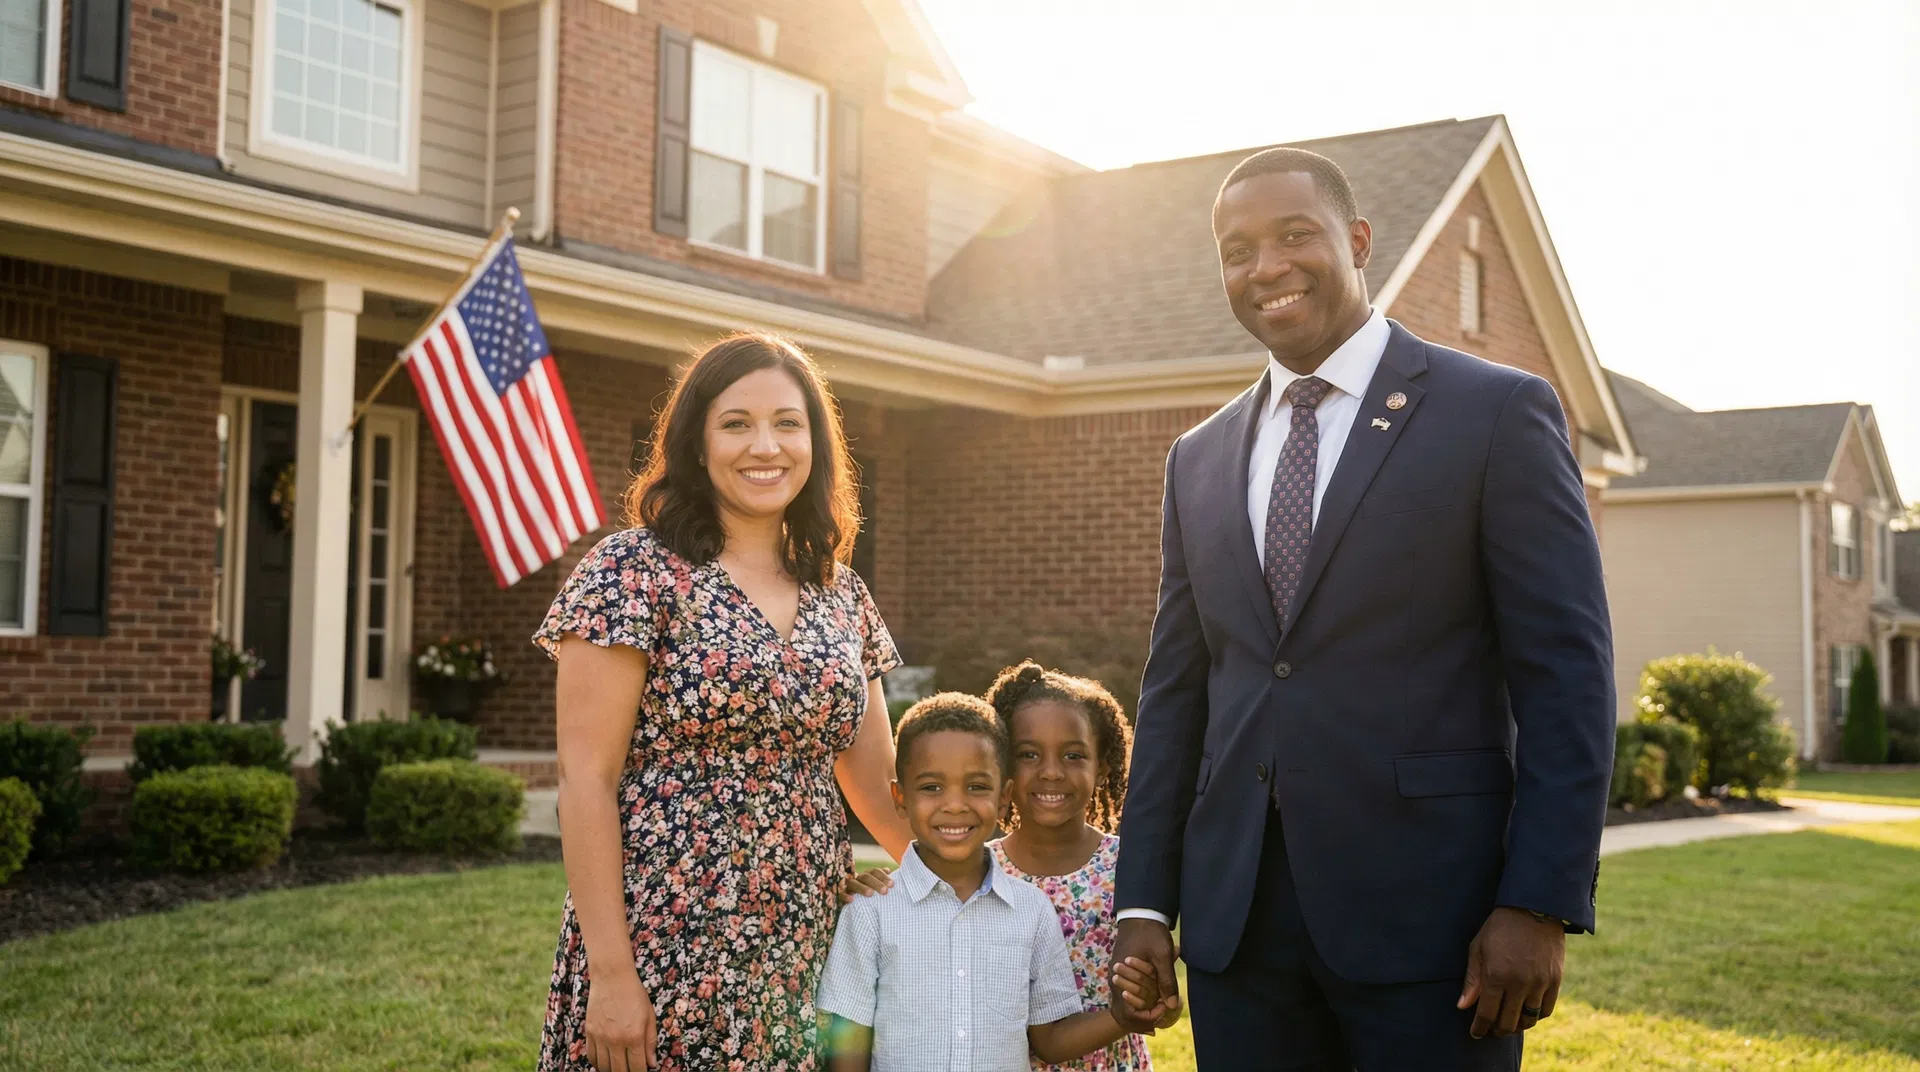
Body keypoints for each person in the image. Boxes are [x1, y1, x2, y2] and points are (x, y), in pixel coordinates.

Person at [1110, 147, 1615, 1070]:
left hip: (1434, 930)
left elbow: (1567, 678)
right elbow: (1177, 693)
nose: (1266, 266)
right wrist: (1145, 903)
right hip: (1239, 937)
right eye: (1237, 249)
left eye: (1294, 235)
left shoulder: (1494, 414)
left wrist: (1538, 901)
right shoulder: (1199, 458)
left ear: (1357, 240)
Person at [532, 333, 913, 1072]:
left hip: (804, 947)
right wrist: (611, 976)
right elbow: (586, 783)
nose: (764, 445)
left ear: (816, 443)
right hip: (660, 946)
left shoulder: (842, 592)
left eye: (787, 423)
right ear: (696, 443)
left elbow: (878, 784)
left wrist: (970, 889)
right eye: (736, 423)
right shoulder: (632, 571)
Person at [815, 693, 1171, 1072]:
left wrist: (1130, 1013)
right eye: (933, 787)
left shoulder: (1032, 909)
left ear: (1003, 798)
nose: (955, 805)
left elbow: (1049, 1038)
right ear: (900, 798)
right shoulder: (872, 909)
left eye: (977, 787)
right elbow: (847, 1041)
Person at [987, 661, 1172, 1072]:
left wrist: (1150, 1002)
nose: (1051, 772)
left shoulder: (1130, 867)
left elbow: (1166, 1009)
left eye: (1073, 755)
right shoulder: (982, 872)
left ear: (1102, 767)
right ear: (1002, 764)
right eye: (1028, 754)